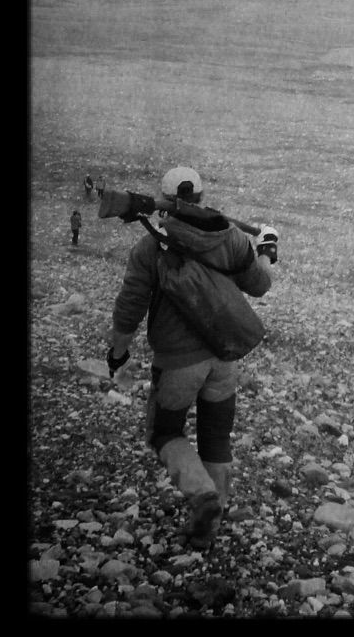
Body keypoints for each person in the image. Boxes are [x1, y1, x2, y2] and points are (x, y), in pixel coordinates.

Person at [107, 166, 273, 550]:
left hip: (178, 362)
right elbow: (260, 285)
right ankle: (209, 526)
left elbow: (129, 307)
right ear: (200, 196)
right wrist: (266, 249)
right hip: (223, 355)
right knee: (215, 437)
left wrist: (118, 353)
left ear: (164, 199)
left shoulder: (151, 246)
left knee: (164, 432)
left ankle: (202, 497)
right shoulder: (231, 238)